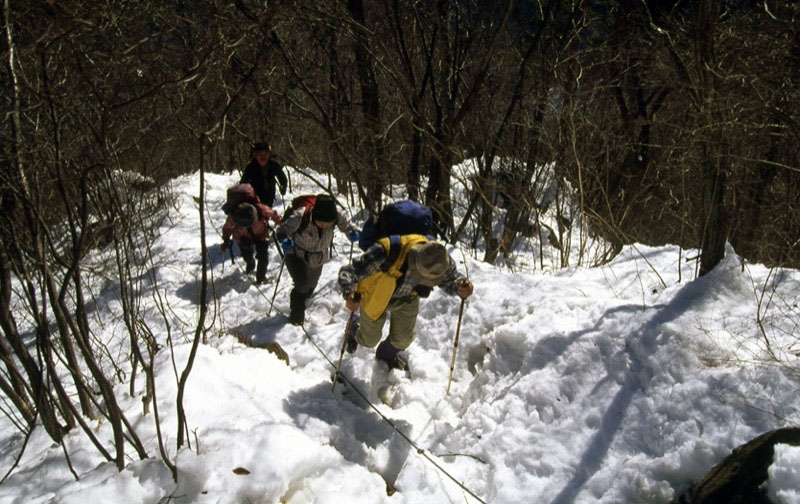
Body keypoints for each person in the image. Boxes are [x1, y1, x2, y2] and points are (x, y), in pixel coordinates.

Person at [338, 235, 474, 371]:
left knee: (403, 339)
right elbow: (349, 271)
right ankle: (354, 327)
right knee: (368, 340)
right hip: (376, 294)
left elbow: (452, 278)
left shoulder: (440, 258)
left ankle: (385, 355)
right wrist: (348, 292)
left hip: (408, 297)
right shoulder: (387, 250)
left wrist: (461, 287)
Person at [276, 194, 360, 325]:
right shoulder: (300, 216)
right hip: (296, 254)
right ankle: (296, 318)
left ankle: (304, 297)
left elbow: (348, 226)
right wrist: (284, 240)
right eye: (321, 224)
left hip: (318, 257)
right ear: (314, 217)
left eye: (329, 225)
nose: (325, 227)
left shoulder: (336, 215)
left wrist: (352, 232)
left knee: (311, 285)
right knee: (302, 284)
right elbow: (281, 230)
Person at [221, 198, 282, 284]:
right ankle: (250, 264)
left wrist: (282, 224)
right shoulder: (234, 215)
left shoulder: (261, 209)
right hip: (243, 238)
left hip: (261, 234)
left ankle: (260, 278)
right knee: (247, 256)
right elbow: (227, 228)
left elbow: (274, 214)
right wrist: (226, 240)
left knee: (263, 257)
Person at [240, 142, 287, 208]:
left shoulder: (274, 165)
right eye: (260, 154)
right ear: (255, 155)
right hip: (254, 198)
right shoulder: (250, 167)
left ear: (269, 155)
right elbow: (243, 183)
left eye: (266, 154)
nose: (263, 156)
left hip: (269, 195)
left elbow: (283, 178)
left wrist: (283, 187)